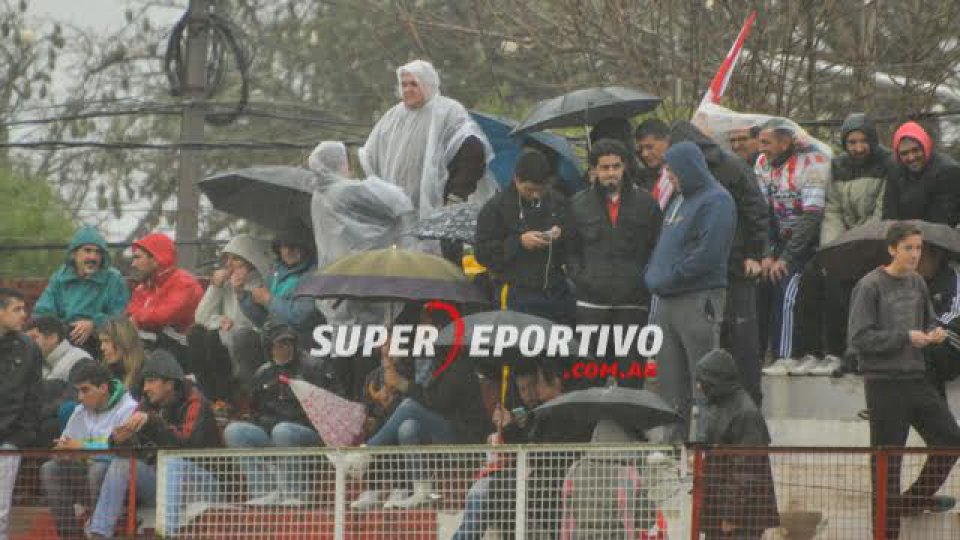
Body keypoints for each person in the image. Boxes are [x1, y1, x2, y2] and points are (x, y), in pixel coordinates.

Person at [848, 221, 960, 538]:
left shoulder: (917, 284)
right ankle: (885, 532)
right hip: (883, 383)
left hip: (916, 377)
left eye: (919, 248)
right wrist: (905, 337)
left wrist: (935, 333)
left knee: (951, 440)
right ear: (892, 249)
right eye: (908, 248)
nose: (914, 255)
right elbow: (859, 339)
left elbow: (927, 322)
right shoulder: (870, 286)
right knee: (886, 466)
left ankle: (909, 502)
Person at [347, 307, 490, 510]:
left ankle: (366, 454)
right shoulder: (437, 359)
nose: (421, 330)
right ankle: (421, 490)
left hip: (466, 439)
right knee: (408, 427)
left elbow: (437, 403)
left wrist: (402, 384)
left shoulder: (458, 364)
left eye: (425, 325)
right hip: (444, 432)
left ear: (441, 329)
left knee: (409, 407)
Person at [670, 121, 769, 404]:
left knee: (742, 343)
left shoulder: (732, 167)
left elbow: (757, 211)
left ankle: (750, 408)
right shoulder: (684, 178)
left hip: (736, 268)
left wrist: (754, 253)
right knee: (712, 345)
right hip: (703, 275)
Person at [788, 113, 894, 376]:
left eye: (863, 141)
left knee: (839, 281)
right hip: (843, 240)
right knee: (813, 275)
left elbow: (882, 210)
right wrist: (831, 249)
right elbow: (833, 209)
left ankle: (836, 350)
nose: (858, 148)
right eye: (852, 142)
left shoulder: (888, 164)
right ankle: (808, 351)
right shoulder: (838, 165)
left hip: (873, 241)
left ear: (872, 140)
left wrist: (853, 244)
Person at [643, 142, 736, 442]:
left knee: (704, 376)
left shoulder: (717, 201)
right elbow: (664, 246)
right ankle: (673, 443)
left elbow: (708, 255)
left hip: (698, 298)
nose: (670, 177)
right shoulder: (678, 200)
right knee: (670, 378)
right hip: (667, 299)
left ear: (689, 167)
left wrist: (668, 277)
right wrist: (652, 273)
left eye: (672, 170)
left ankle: (709, 441)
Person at [359, 59, 494, 255]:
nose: (407, 89)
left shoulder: (448, 111)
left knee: (440, 267)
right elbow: (370, 154)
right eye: (404, 84)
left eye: (414, 84)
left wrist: (456, 195)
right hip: (401, 213)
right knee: (406, 268)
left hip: (441, 213)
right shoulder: (393, 117)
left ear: (428, 83)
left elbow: (472, 152)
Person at [86, 349, 220, 538]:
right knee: (122, 464)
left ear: (170, 383)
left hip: (204, 484)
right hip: (164, 486)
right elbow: (130, 447)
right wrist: (118, 441)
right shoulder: (147, 404)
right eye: (144, 382)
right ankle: (100, 533)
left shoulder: (195, 401)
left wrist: (154, 423)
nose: (145, 388)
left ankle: (166, 534)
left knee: (172, 464)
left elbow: (188, 446)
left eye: (150, 381)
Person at [565, 139, 662, 387]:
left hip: (632, 302)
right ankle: (589, 425)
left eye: (616, 167)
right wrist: (582, 279)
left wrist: (643, 281)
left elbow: (656, 248)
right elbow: (570, 250)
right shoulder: (577, 204)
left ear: (625, 167)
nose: (611, 173)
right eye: (605, 167)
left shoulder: (646, 203)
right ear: (594, 170)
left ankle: (632, 425)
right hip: (591, 304)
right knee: (590, 373)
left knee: (631, 372)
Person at [223, 323, 339, 506]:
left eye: (289, 342)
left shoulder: (313, 366)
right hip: (273, 431)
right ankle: (264, 492)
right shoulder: (263, 373)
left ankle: (297, 494)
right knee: (234, 431)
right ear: (269, 348)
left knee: (283, 430)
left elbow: (327, 406)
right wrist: (265, 422)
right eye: (280, 343)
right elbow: (255, 412)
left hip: (309, 434)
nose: (286, 346)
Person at [754, 119, 831, 375]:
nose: (761, 148)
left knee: (787, 286)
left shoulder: (812, 163)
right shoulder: (762, 164)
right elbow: (762, 213)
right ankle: (758, 354)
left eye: (767, 143)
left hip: (812, 242)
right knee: (760, 281)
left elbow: (812, 216)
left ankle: (785, 355)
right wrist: (766, 254)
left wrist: (786, 258)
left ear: (785, 142)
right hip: (781, 240)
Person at [475, 148, 574, 324]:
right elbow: (482, 253)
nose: (535, 195)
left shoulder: (559, 202)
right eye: (529, 189)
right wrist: (519, 242)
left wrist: (561, 234)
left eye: (540, 189)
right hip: (516, 292)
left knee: (557, 348)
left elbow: (574, 244)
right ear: (516, 180)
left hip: (555, 291)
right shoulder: (495, 208)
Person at [40, 361, 137, 540]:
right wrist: (62, 453)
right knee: (50, 468)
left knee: (98, 468)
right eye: (78, 391)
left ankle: (98, 531)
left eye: (85, 390)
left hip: (121, 484)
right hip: (86, 479)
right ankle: (70, 536)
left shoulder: (129, 408)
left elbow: (121, 452)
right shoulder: (79, 411)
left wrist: (82, 447)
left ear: (103, 388)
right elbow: (65, 444)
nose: (80, 397)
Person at [694, 349, 779, 539]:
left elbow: (746, 472)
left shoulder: (746, 414)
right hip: (720, 510)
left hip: (742, 517)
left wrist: (731, 516)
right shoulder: (719, 403)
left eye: (703, 381)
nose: (699, 386)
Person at [190, 234, 273, 403]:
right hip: (225, 340)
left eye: (235, 259)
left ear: (250, 260)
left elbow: (254, 323)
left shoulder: (263, 283)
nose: (228, 264)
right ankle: (212, 398)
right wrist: (215, 288)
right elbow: (200, 318)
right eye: (227, 258)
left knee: (214, 337)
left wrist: (239, 294)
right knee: (195, 333)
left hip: (250, 345)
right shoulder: (226, 284)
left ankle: (225, 400)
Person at [32, 225, 129, 355]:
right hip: (61, 340)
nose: (93, 257)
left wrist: (94, 324)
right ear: (74, 253)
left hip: (100, 343)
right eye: (87, 251)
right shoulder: (60, 276)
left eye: (97, 252)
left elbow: (120, 315)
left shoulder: (113, 279)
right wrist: (59, 330)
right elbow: (42, 311)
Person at [0, 288, 43, 540]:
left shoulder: (29, 348)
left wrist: (21, 435)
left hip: (10, 438)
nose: (24, 315)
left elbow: (34, 396)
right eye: (17, 309)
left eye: (24, 309)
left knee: (1, 510)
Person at [126, 233, 203, 372]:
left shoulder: (184, 283)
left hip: (183, 350)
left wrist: (137, 317)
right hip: (157, 345)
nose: (133, 264)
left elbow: (162, 316)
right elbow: (131, 310)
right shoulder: (145, 285)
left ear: (156, 259)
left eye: (138, 257)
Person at [238, 220, 319, 339]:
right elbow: (263, 319)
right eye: (284, 245)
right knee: (242, 336)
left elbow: (302, 317)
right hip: (273, 336)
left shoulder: (314, 274)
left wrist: (269, 300)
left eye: (293, 245)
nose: (288, 251)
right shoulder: (274, 272)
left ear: (305, 246)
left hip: (302, 340)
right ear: (278, 248)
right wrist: (242, 296)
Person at [25, 316, 93, 446]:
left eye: (34, 338)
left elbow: (73, 399)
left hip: (71, 423)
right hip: (40, 416)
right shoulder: (37, 360)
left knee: (46, 427)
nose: (29, 343)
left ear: (52, 337)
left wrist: (34, 414)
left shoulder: (79, 359)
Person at [883, 120, 960, 226]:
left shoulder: (947, 171)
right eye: (904, 153)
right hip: (904, 235)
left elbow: (943, 220)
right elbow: (889, 213)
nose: (911, 157)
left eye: (915, 150)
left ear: (925, 146)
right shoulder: (895, 170)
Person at [96, 317, 145, 400]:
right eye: (101, 342)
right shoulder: (103, 372)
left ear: (123, 341)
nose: (102, 347)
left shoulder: (144, 372)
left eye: (107, 341)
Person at [634, 118, 672, 195]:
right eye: (641, 149)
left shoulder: (682, 174)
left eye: (649, 147)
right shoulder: (640, 181)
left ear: (667, 141)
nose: (644, 154)